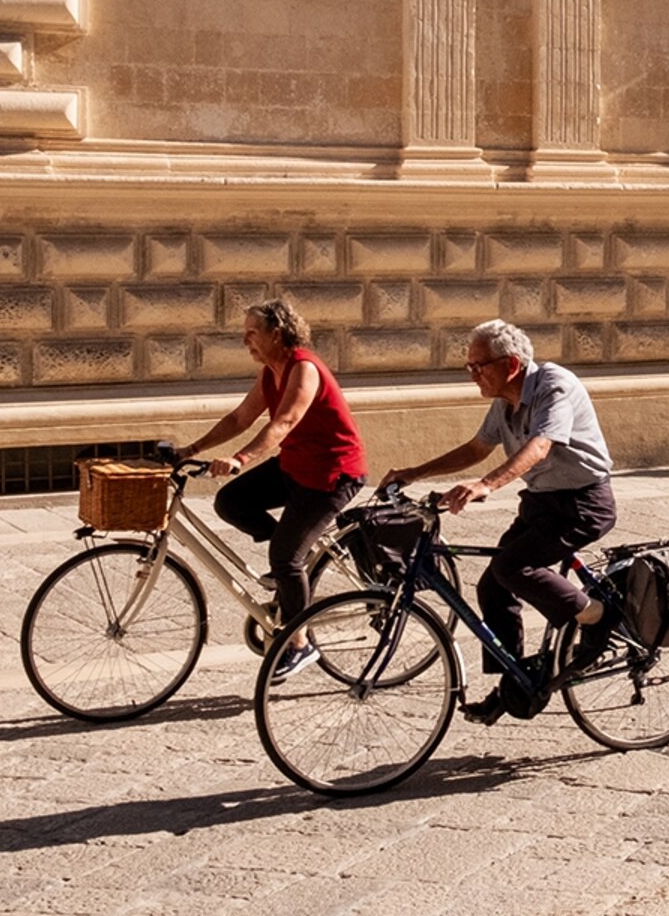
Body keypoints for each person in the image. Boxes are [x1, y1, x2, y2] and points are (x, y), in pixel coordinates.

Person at [382, 319, 618, 723]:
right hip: (542, 503)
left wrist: (487, 485)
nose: (472, 374)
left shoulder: (553, 385)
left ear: (510, 364)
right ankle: (514, 682)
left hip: (583, 503)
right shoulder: (505, 401)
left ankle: (597, 616)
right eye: (469, 366)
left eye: (479, 366)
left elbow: (540, 446)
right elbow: (476, 448)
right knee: (493, 584)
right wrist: (416, 472)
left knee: (513, 567)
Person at [175, 298, 366, 679]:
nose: (245, 340)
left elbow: (285, 422)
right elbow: (240, 418)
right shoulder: (271, 372)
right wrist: (191, 450)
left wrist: (240, 460)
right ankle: (293, 565)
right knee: (231, 502)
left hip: (332, 475)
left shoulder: (304, 369)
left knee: (284, 557)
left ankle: (300, 643)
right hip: (295, 468)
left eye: (252, 333)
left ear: (276, 334)